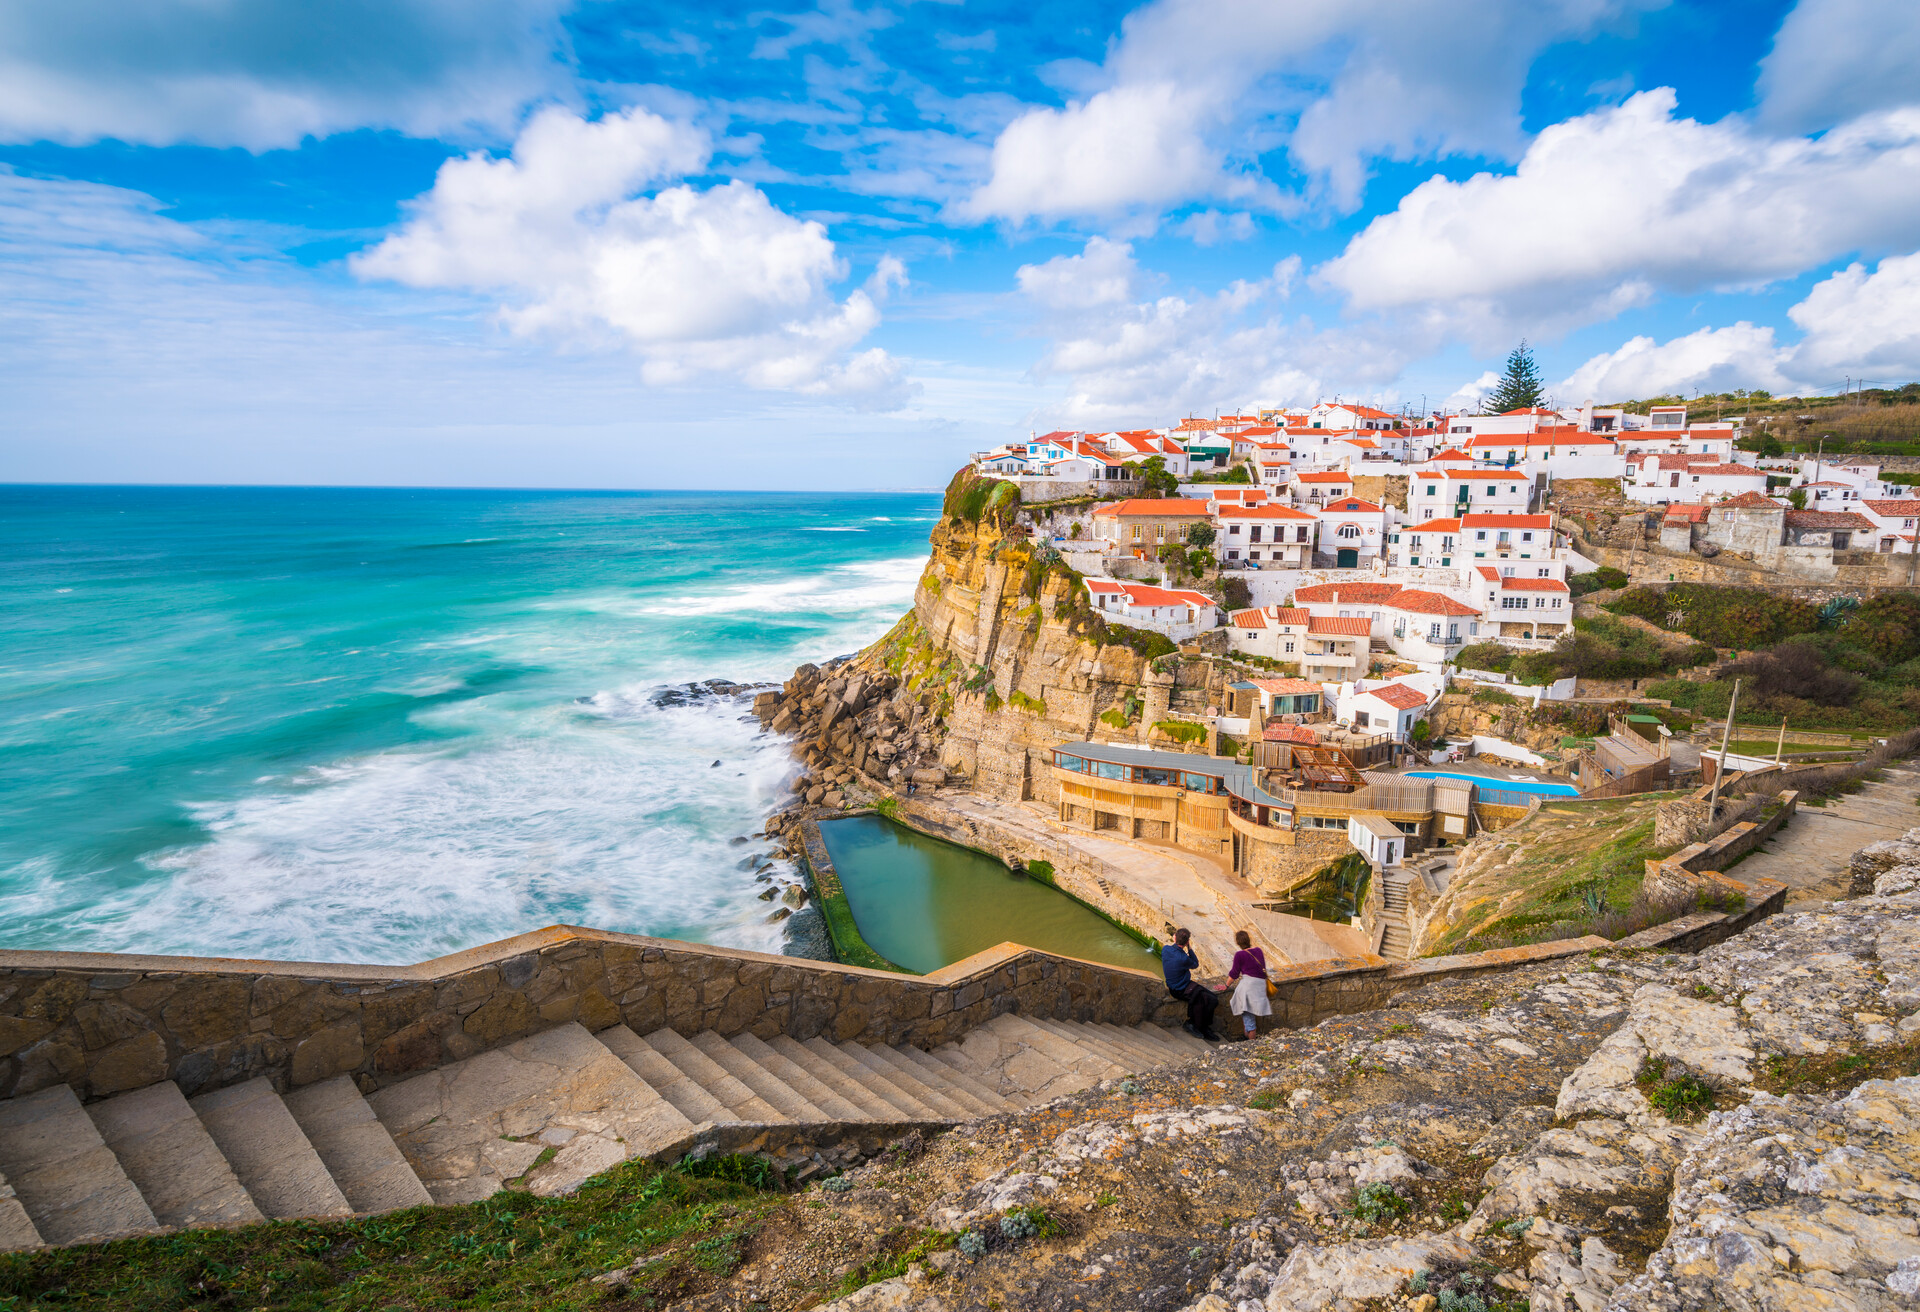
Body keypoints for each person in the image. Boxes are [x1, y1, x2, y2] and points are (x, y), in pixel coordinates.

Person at [1161, 928, 1220, 1041]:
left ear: (1174, 937)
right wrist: (1189, 948)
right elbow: (1195, 964)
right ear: (1187, 942)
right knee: (1210, 1000)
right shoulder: (1183, 958)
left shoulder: (1165, 949)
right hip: (1180, 989)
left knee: (1210, 999)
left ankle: (1201, 1026)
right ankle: (1194, 1024)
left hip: (1179, 986)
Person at [1226, 929, 1271, 1042]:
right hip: (1260, 986)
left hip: (1249, 987)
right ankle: (1246, 1036)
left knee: (1248, 1017)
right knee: (1247, 1013)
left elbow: (1234, 974)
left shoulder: (1239, 955)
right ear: (1249, 940)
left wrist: (1226, 985)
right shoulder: (1258, 950)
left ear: (1238, 942)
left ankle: (1251, 1044)